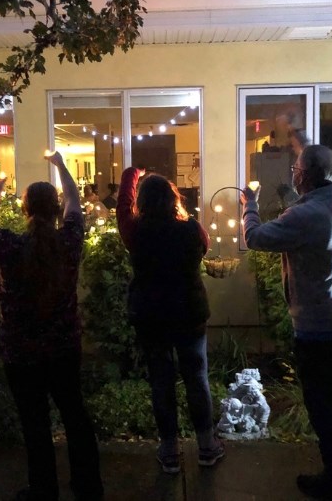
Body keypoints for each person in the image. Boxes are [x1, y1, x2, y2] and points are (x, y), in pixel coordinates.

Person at [0, 151, 103, 501]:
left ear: (25, 210)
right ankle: (88, 486)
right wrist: (60, 165)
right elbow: (75, 200)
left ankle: (44, 490)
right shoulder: (68, 242)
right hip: (63, 347)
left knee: (35, 422)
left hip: (20, 351)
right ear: (55, 209)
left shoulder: (8, 246)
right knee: (75, 414)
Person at [241, 145, 332, 501]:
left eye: (296, 167)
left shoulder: (305, 217)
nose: (292, 171)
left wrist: (250, 204)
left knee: (322, 404)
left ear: (304, 175)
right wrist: (301, 141)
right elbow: (317, 181)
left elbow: (255, 238)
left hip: (317, 327)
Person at [116, 167, 224, 474]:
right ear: (173, 199)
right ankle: (206, 446)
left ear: (143, 202)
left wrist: (130, 175)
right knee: (196, 378)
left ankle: (170, 450)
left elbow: (122, 208)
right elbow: (203, 246)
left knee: (161, 381)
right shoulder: (192, 230)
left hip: (151, 317)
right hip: (189, 314)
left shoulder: (135, 232)